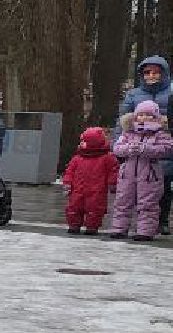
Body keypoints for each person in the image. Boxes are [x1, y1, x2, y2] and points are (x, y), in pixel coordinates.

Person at [105, 100, 173, 242]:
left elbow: (166, 149)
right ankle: (119, 228)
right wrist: (129, 149)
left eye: (148, 115)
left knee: (148, 203)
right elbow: (117, 148)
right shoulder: (128, 132)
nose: (143, 118)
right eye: (140, 115)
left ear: (155, 117)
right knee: (122, 201)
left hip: (149, 174)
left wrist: (145, 149)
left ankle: (145, 231)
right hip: (127, 174)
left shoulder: (160, 133)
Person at [118, 54, 171, 234]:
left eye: (156, 72)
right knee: (130, 192)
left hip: (162, 144)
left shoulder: (170, 93)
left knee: (162, 187)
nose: (151, 76)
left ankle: (161, 220)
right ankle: (131, 224)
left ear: (163, 73)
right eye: (147, 72)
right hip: (136, 147)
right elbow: (123, 121)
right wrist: (118, 145)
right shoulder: (134, 95)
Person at [61, 126, 119, 235]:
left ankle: (92, 226)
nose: (81, 143)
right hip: (78, 189)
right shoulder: (78, 158)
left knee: (95, 209)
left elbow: (113, 171)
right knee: (74, 207)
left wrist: (112, 183)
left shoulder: (107, 158)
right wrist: (67, 183)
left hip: (97, 190)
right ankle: (74, 225)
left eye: (84, 141)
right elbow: (69, 172)